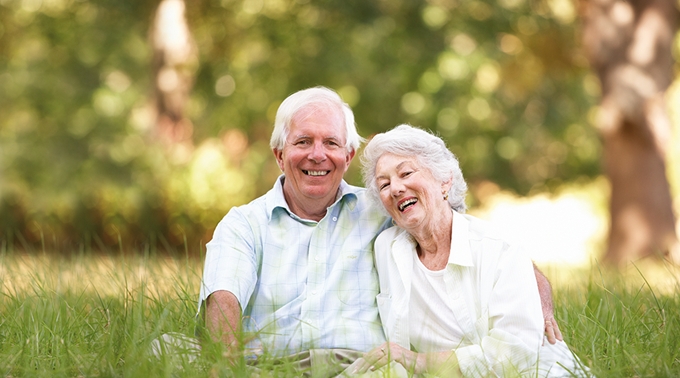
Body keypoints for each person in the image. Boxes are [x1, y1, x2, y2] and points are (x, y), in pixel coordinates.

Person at [197, 87, 563, 375]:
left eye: (331, 143)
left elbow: (465, 237)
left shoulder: (381, 209)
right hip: (268, 366)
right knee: (165, 348)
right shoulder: (244, 224)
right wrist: (226, 363)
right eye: (303, 142)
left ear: (348, 156)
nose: (317, 155)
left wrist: (539, 297)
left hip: (358, 366)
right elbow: (223, 296)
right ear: (280, 154)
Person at [350, 125, 589, 377]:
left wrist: (418, 361)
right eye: (384, 184)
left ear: (445, 181)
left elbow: (516, 353)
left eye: (406, 173)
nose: (395, 189)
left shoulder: (499, 249)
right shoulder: (386, 248)